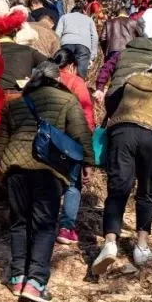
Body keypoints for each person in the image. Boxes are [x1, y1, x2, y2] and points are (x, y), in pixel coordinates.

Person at [0, 62, 94, 302]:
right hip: (48, 170)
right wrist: (87, 163)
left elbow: (1, 139)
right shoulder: (67, 101)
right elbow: (81, 134)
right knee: (45, 225)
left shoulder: (16, 102)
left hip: (15, 169)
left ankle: (18, 277)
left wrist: (1, 168)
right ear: (56, 80)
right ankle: (36, 282)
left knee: (19, 222)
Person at [91, 60, 152, 275]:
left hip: (123, 134)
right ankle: (141, 248)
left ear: (149, 71)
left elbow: (111, 104)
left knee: (117, 191)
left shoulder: (131, 81)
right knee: (146, 193)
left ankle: (110, 244)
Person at [51, 48, 96, 246]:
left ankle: (43, 221)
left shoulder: (44, 77)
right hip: (70, 140)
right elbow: (87, 113)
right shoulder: (76, 82)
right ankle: (66, 228)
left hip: (45, 138)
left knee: (48, 180)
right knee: (72, 185)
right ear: (72, 65)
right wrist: (89, 144)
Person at [94, 35, 152, 120]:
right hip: (143, 99)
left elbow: (106, 68)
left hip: (115, 95)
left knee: (114, 123)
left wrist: (100, 88)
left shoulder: (121, 53)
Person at [55, 6, 98, 79]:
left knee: (64, 69)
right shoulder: (89, 19)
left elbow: (57, 34)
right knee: (80, 74)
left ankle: (63, 86)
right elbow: (95, 36)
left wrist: (56, 50)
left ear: (71, 11)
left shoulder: (64, 17)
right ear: (83, 12)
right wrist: (92, 56)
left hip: (66, 43)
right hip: (84, 45)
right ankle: (78, 87)